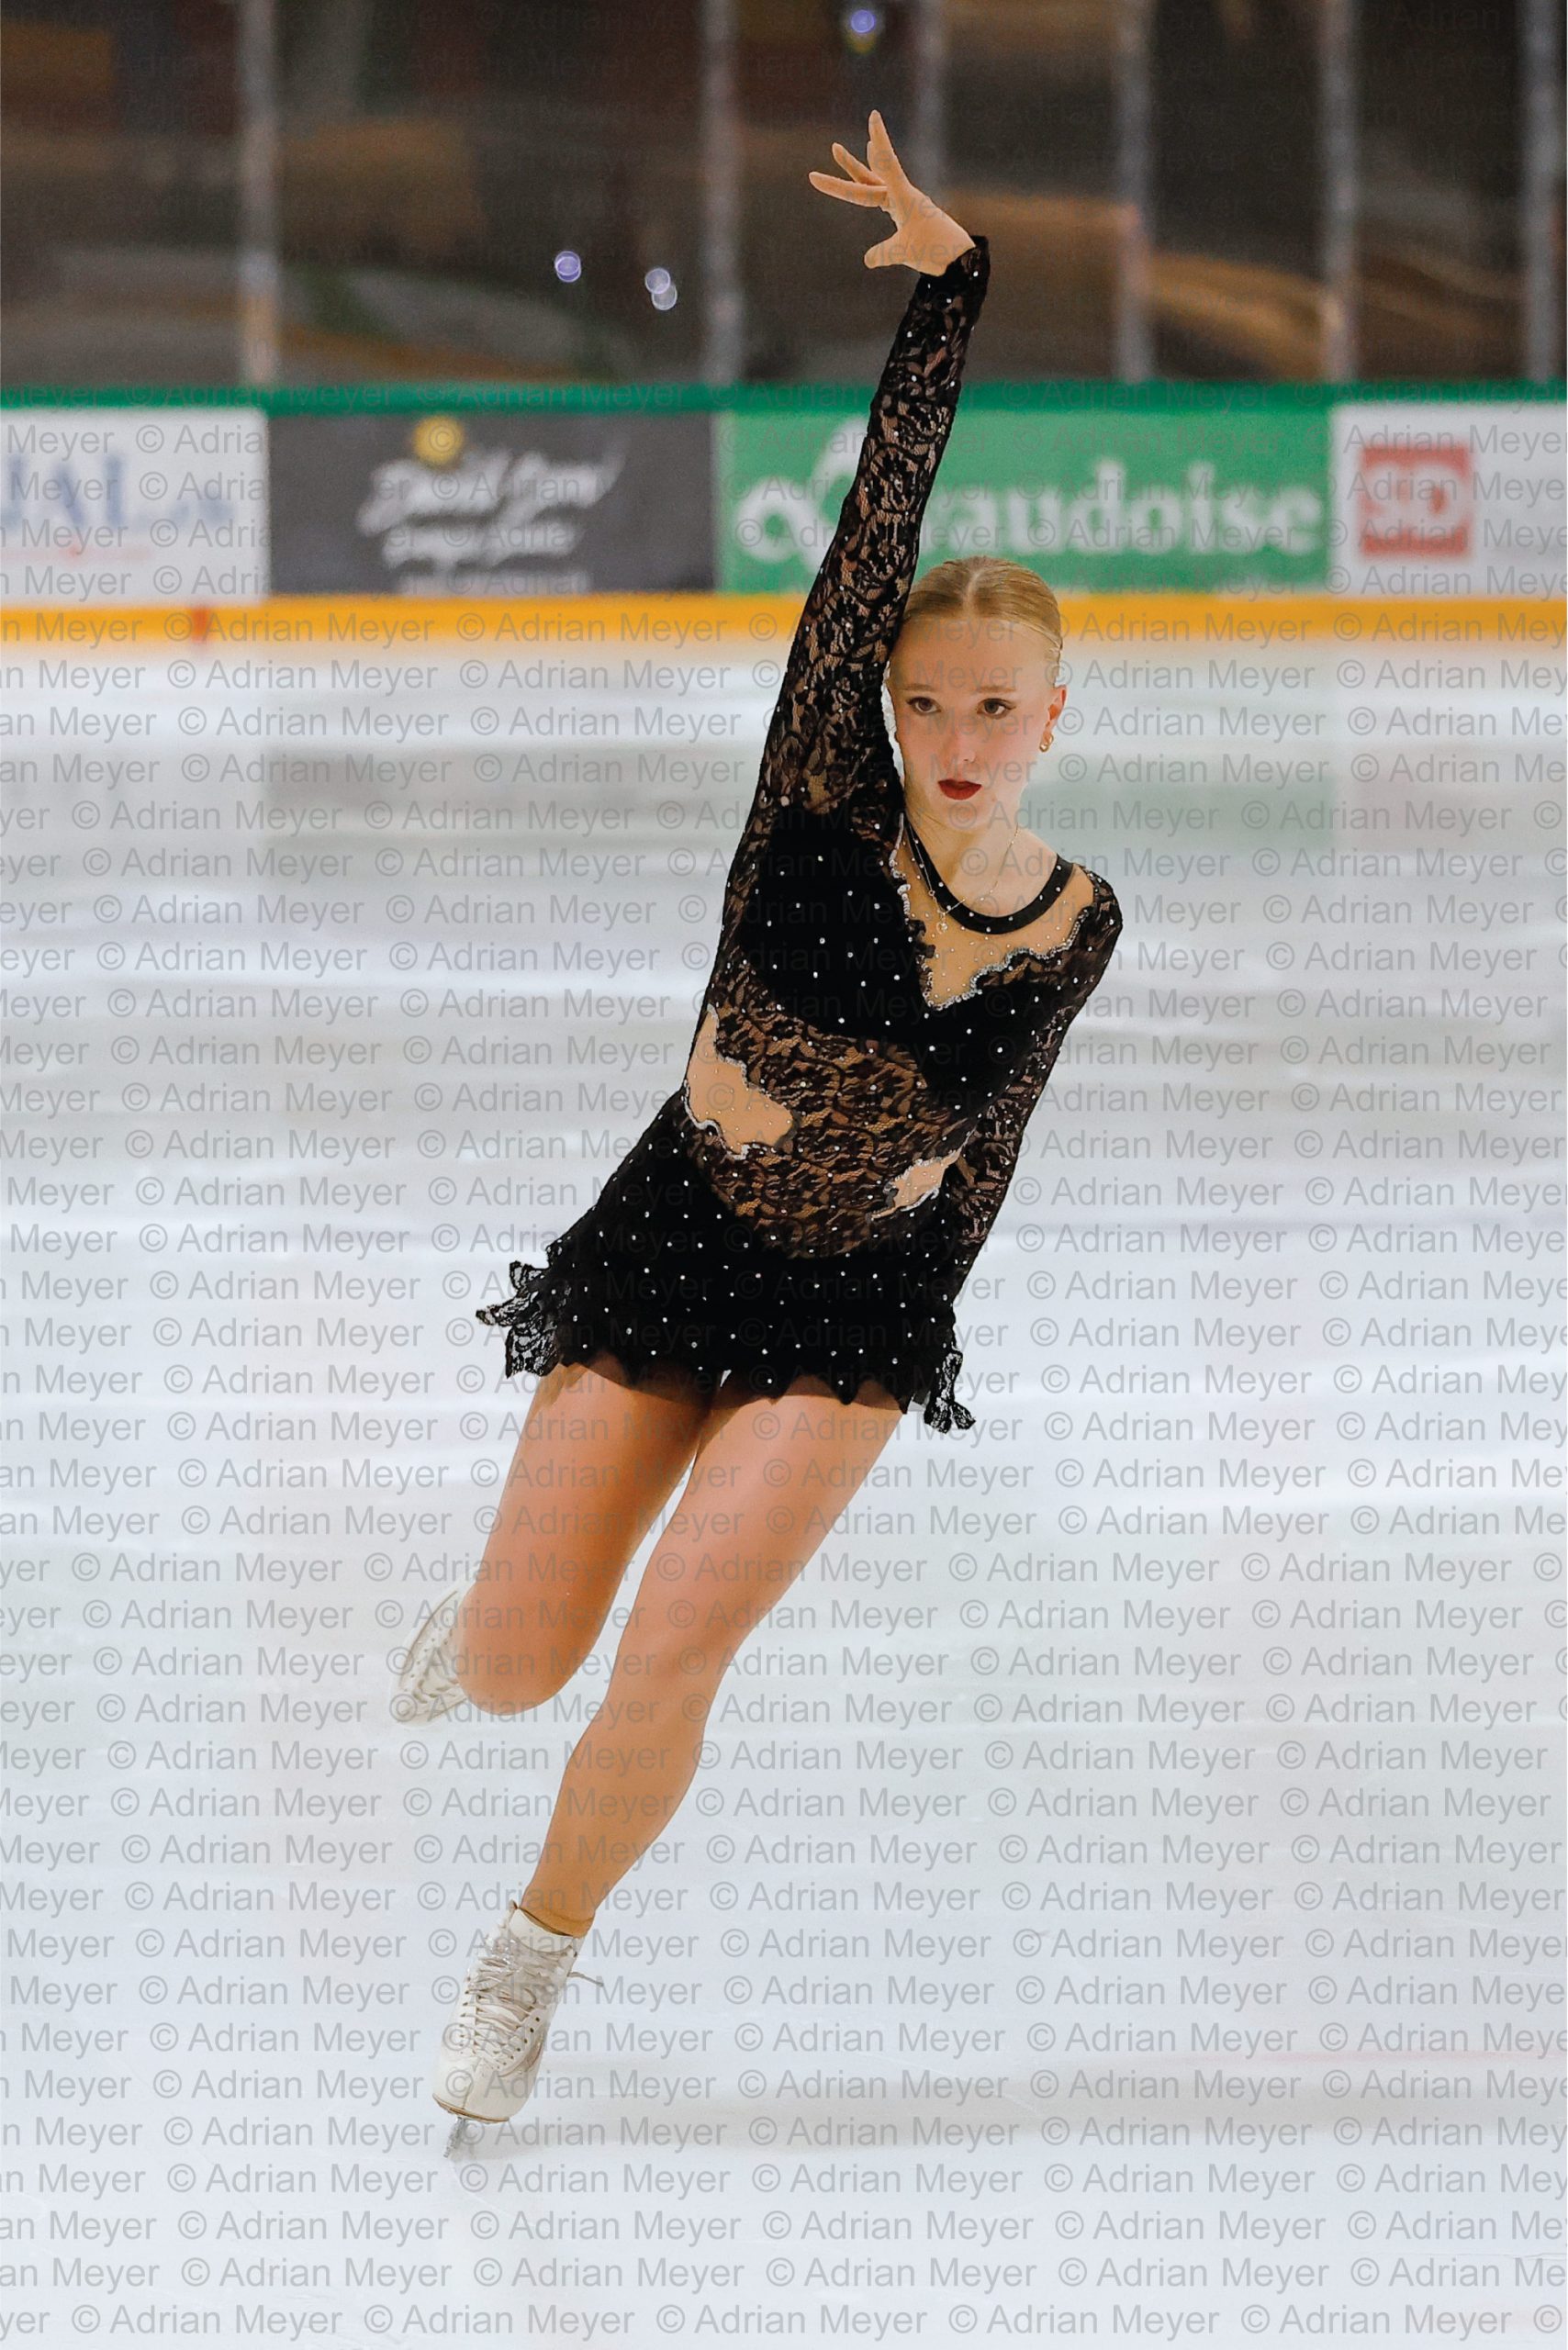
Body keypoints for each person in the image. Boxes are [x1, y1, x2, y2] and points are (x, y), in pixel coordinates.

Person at [391, 112, 1124, 2143]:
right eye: (927, 705)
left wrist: (903, 1327)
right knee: (527, 1661)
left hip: (857, 1310)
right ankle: (488, 1605)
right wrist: (949, 292)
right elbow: (869, 538)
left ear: (1052, 714)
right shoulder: (816, 786)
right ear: (878, 708)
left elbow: (983, 1167)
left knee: (671, 1656)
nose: (954, 741)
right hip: (671, 1241)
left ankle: (526, 1955)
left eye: (996, 709)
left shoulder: (1073, 924)